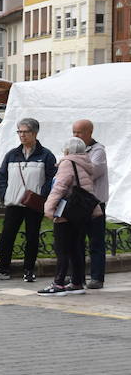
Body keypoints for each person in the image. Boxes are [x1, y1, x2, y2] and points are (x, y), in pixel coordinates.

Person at [0, 117, 57, 283]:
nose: (22, 135)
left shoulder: (46, 155)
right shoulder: (12, 154)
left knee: (32, 236)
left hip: (34, 203)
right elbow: (1, 176)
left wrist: (42, 194)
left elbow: (51, 178)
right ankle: (3, 268)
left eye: (25, 132)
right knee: (7, 235)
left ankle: (29, 269)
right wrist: (5, 193)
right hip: (14, 202)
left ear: (34, 133)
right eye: (19, 131)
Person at [38, 138, 102, 296]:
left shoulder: (67, 163)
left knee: (62, 249)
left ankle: (58, 284)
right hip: (81, 212)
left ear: (67, 150)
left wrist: (48, 208)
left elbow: (60, 187)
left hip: (66, 212)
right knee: (75, 248)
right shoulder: (85, 163)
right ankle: (77, 282)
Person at [72, 119, 108, 289]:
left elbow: (92, 171)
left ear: (89, 132)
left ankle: (97, 277)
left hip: (95, 203)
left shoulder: (98, 150)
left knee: (96, 242)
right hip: (78, 203)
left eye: (79, 132)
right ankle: (77, 277)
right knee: (77, 241)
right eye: (74, 132)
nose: (76, 136)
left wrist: (74, 163)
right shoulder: (74, 150)